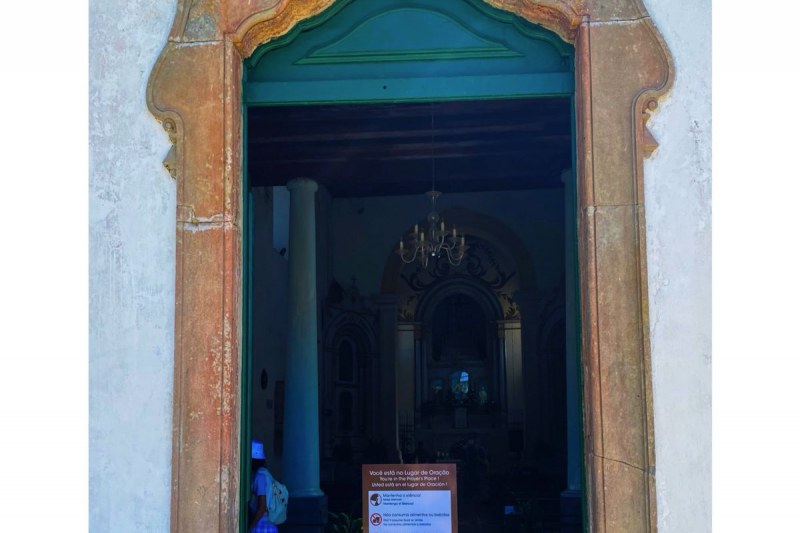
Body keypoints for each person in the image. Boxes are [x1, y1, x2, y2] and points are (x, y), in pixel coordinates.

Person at [249, 439, 279, 533]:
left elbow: (262, 507)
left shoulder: (260, 476)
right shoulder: (267, 474)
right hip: (269, 523)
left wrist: (250, 527)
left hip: (262, 525)